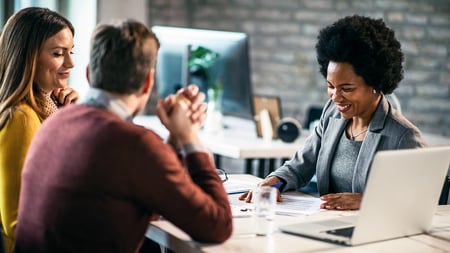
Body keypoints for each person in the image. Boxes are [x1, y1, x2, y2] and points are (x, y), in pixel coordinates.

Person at [13, 19, 232, 253]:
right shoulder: (137, 144)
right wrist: (190, 137)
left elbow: (151, 193)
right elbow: (217, 225)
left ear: (89, 74)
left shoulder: (54, 122)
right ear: (148, 82)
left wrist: (175, 140)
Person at [239, 15, 426, 210]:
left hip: (372, 235)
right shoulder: (332, 114)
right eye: (330, 86)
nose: (335, 97)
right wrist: (273, 183)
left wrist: (368, 201)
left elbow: (421, 201)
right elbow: (300, 165)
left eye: (346, 88)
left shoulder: (404, 137)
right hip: (326, 225)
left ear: (375, 84)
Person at [0, 7, 79, 252]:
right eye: (58, 53)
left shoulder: (46, 109)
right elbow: (16, 221)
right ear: (28, 57)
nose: (70, 63)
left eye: (71, 52)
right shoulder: (22, 119)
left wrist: (71, 118)